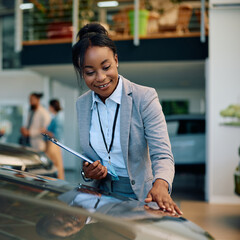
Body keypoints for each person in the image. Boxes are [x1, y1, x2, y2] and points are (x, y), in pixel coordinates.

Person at [72, 23, 182, 215]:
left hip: (142, 194)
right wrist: (87, 172)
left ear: (116, 60)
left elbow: (162, 154)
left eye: (106, 67)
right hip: (100, 196)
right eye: (90, 72)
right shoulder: (82, 104)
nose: (100, 77)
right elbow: (88, 156)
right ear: (82, 73)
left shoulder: (144, 98)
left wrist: (161, 185)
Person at [42, 99, 65, 180]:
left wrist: (44, 131)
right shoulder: (57, 116)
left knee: (54, 165)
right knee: (57, 165)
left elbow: (55, 134)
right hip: (55, 144)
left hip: (53, 145)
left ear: (52, 107)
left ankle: (55, 182)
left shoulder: (57, 118)